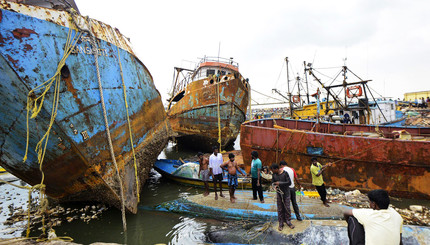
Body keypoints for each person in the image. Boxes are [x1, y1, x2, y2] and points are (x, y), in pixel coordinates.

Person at [271, 163, 294, 230]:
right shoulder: (274, 175)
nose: (272, 172)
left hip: (286, 193)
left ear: (276, 169)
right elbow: (272, 182)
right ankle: (281, 223)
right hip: (279, 193)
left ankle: (288, 221)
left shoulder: (285, 173)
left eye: (273, 170)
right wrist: (274, 186)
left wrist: (279, 183)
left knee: (287, 207)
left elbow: (289, 182)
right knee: (280, 208)